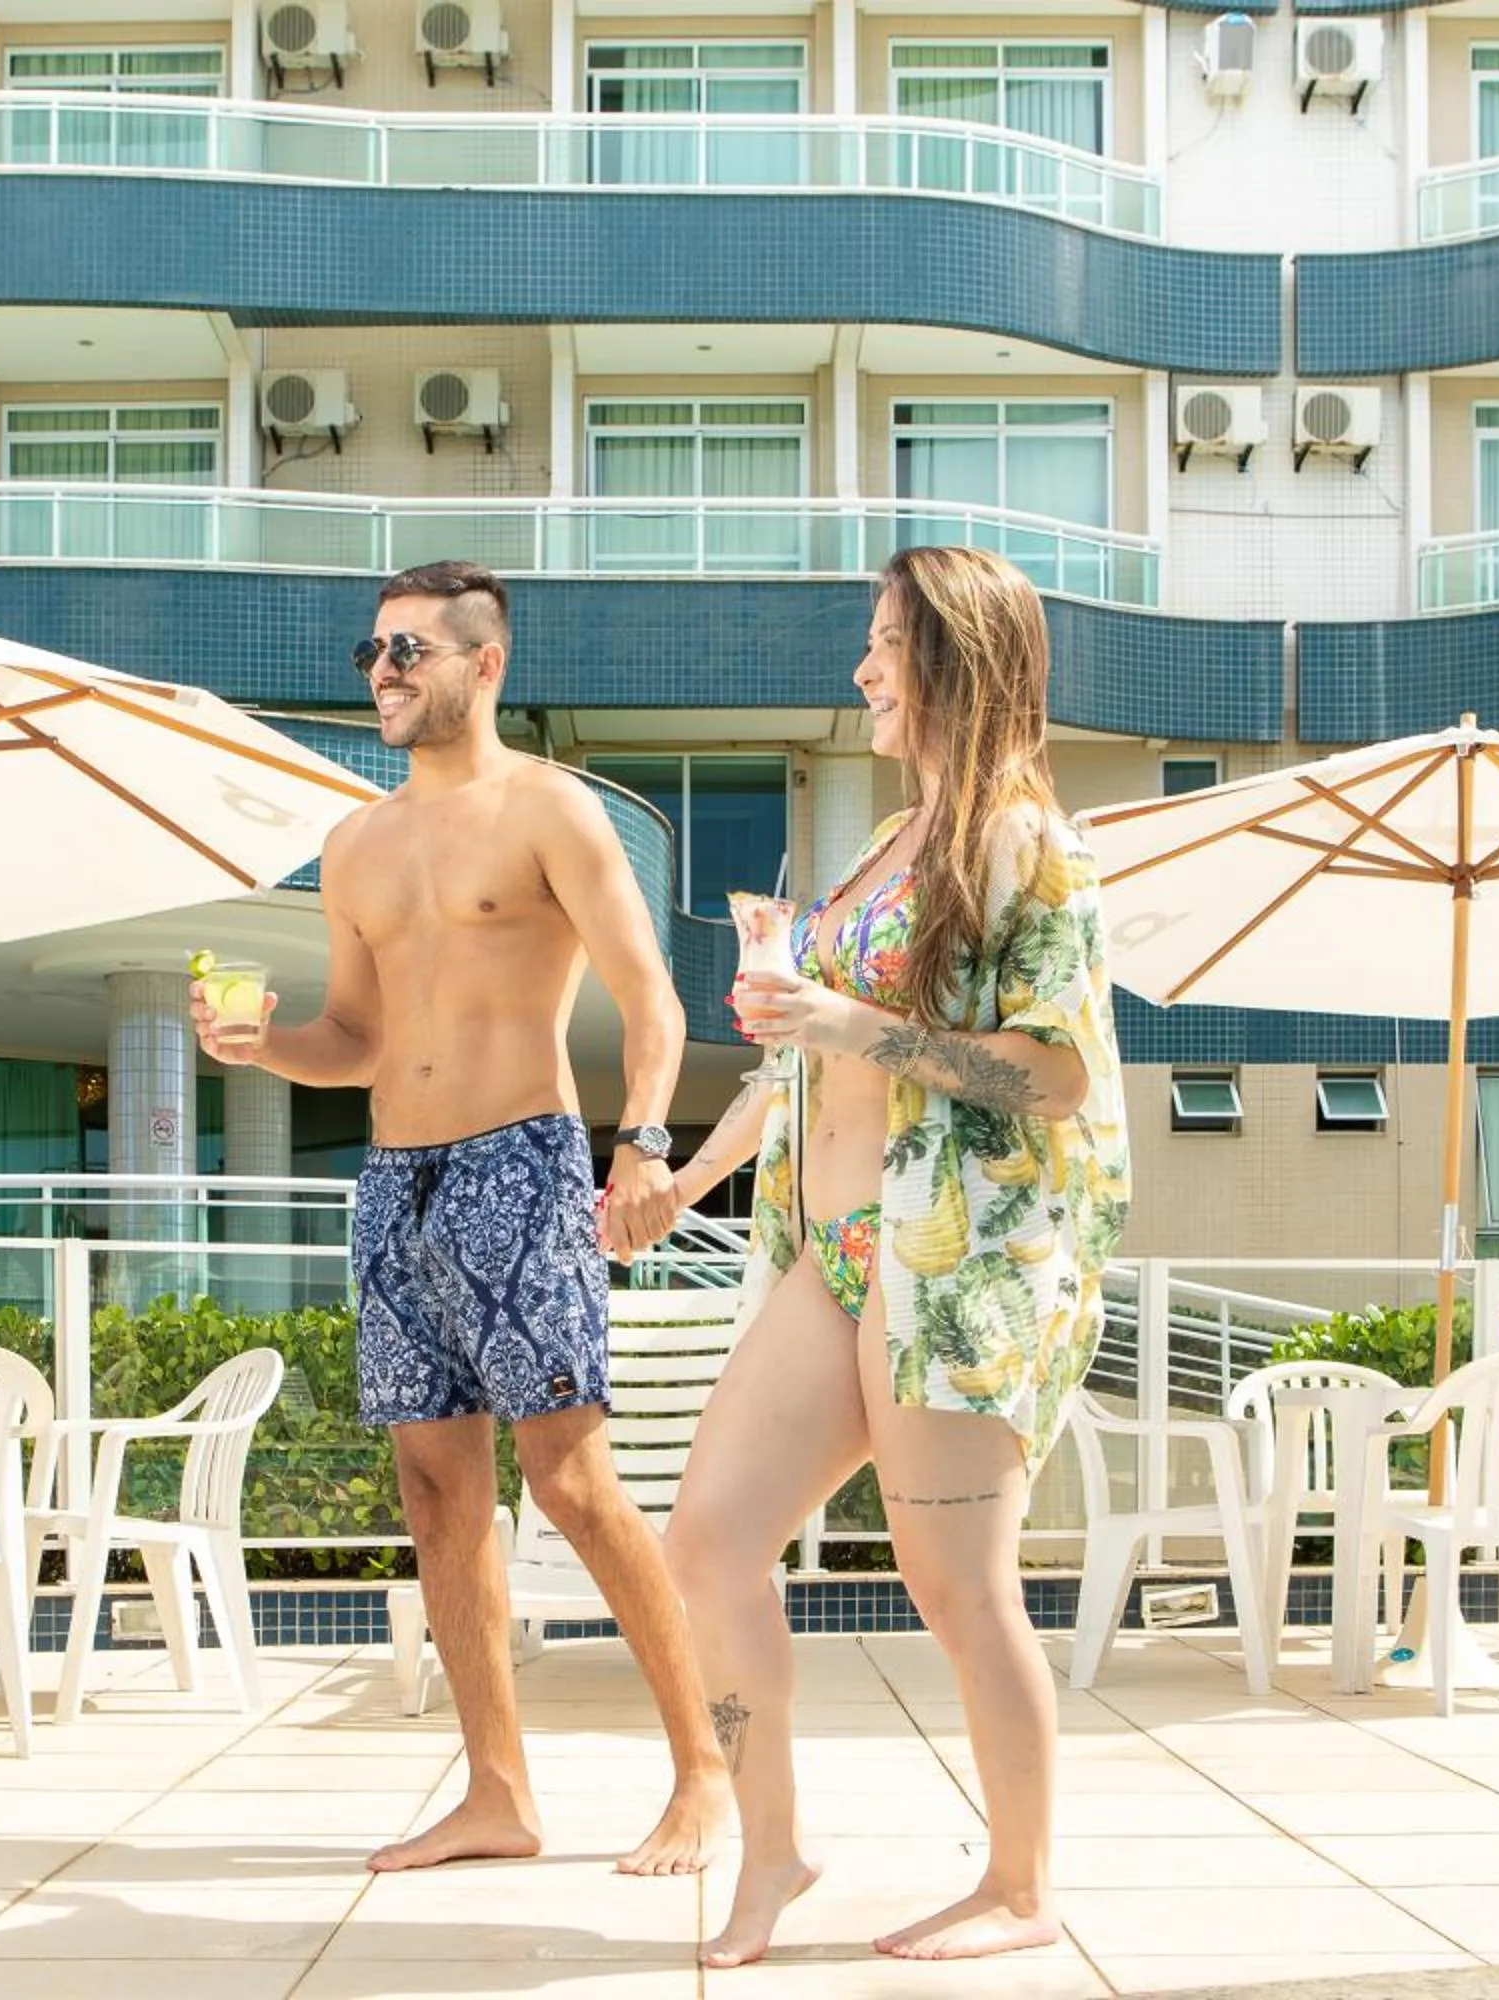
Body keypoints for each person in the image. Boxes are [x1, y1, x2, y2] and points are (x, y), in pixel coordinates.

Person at [189, 559, 732, 1876]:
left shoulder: (550, 810)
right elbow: (357, 1039)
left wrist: (647, 1143)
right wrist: (263, 1049)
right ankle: (499, 1793)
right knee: (436, 1494)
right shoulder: (353, 846)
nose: (382, 671)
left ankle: (707, 1768)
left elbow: (652, 1001)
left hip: (523, 1167)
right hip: (395, 1183)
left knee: (572, 1480)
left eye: (409, 651)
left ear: (484, 666)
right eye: (373, 650)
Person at [658, 545, 1131, 1965]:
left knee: (955, 1586)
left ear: (958, 659)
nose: (864, 667)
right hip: (841, 1248)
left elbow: (1054, 1075)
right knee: (710, 1541)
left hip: (964, 1259)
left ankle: (1023, 1887)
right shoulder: (886, 837)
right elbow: (804, 1065)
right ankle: (775, 1845)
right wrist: (684, 1179)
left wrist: (855, 1025)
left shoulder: (1030, 845)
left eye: (886, 643)